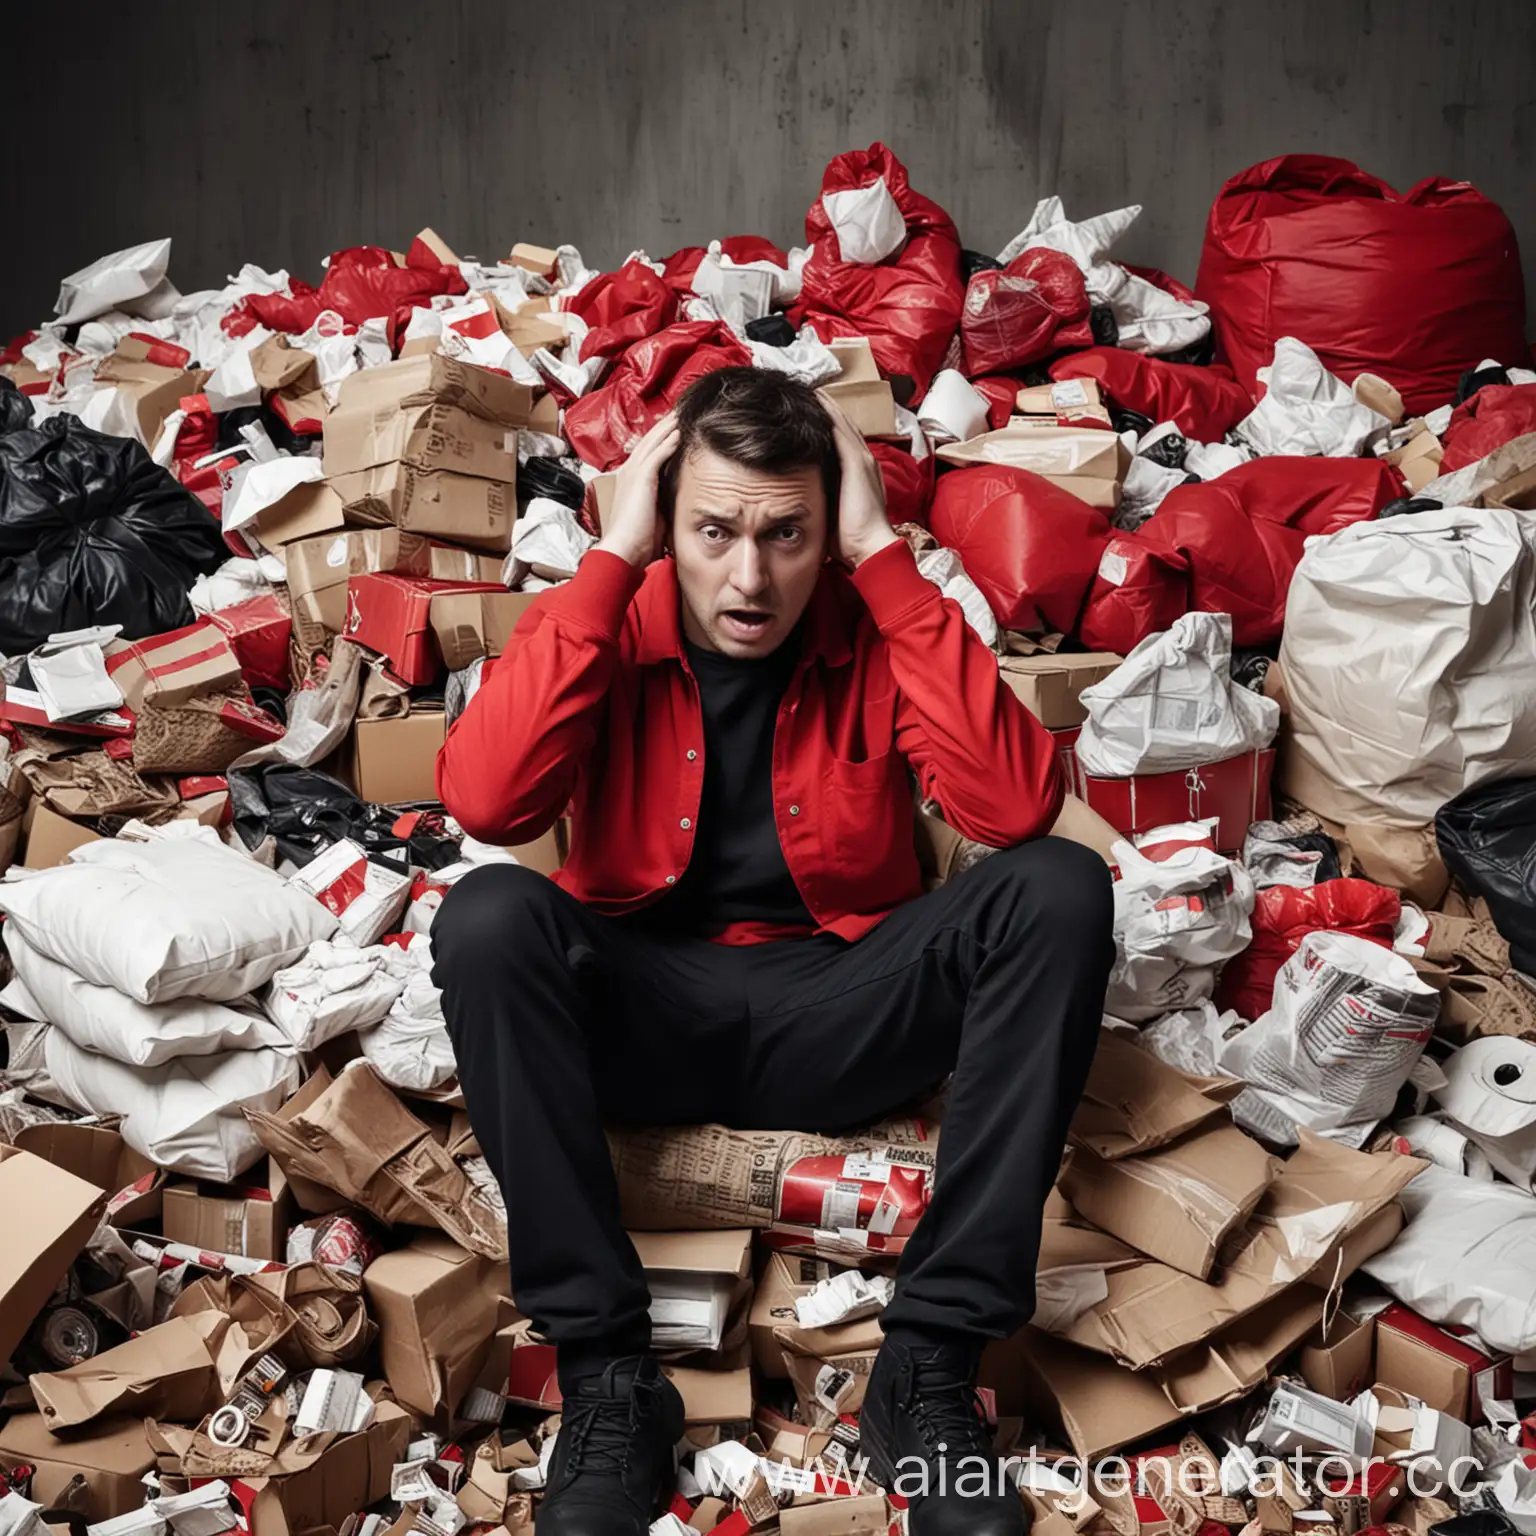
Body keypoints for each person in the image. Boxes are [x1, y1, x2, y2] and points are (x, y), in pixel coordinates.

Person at [432, 367, 1114, 1536]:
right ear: (664, 519)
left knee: (1058, 889)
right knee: (486, 915)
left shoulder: (870, 621)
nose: (750, 578)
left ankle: (928, 1373)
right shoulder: (611, 618)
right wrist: (608, 563)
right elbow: (488, 802)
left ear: (827, 529)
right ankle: (609, 1381)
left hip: (842, 1011)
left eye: (788, 536)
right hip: (644, 1017)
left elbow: (1012, 808)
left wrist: (882, 556)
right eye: (714, 531)